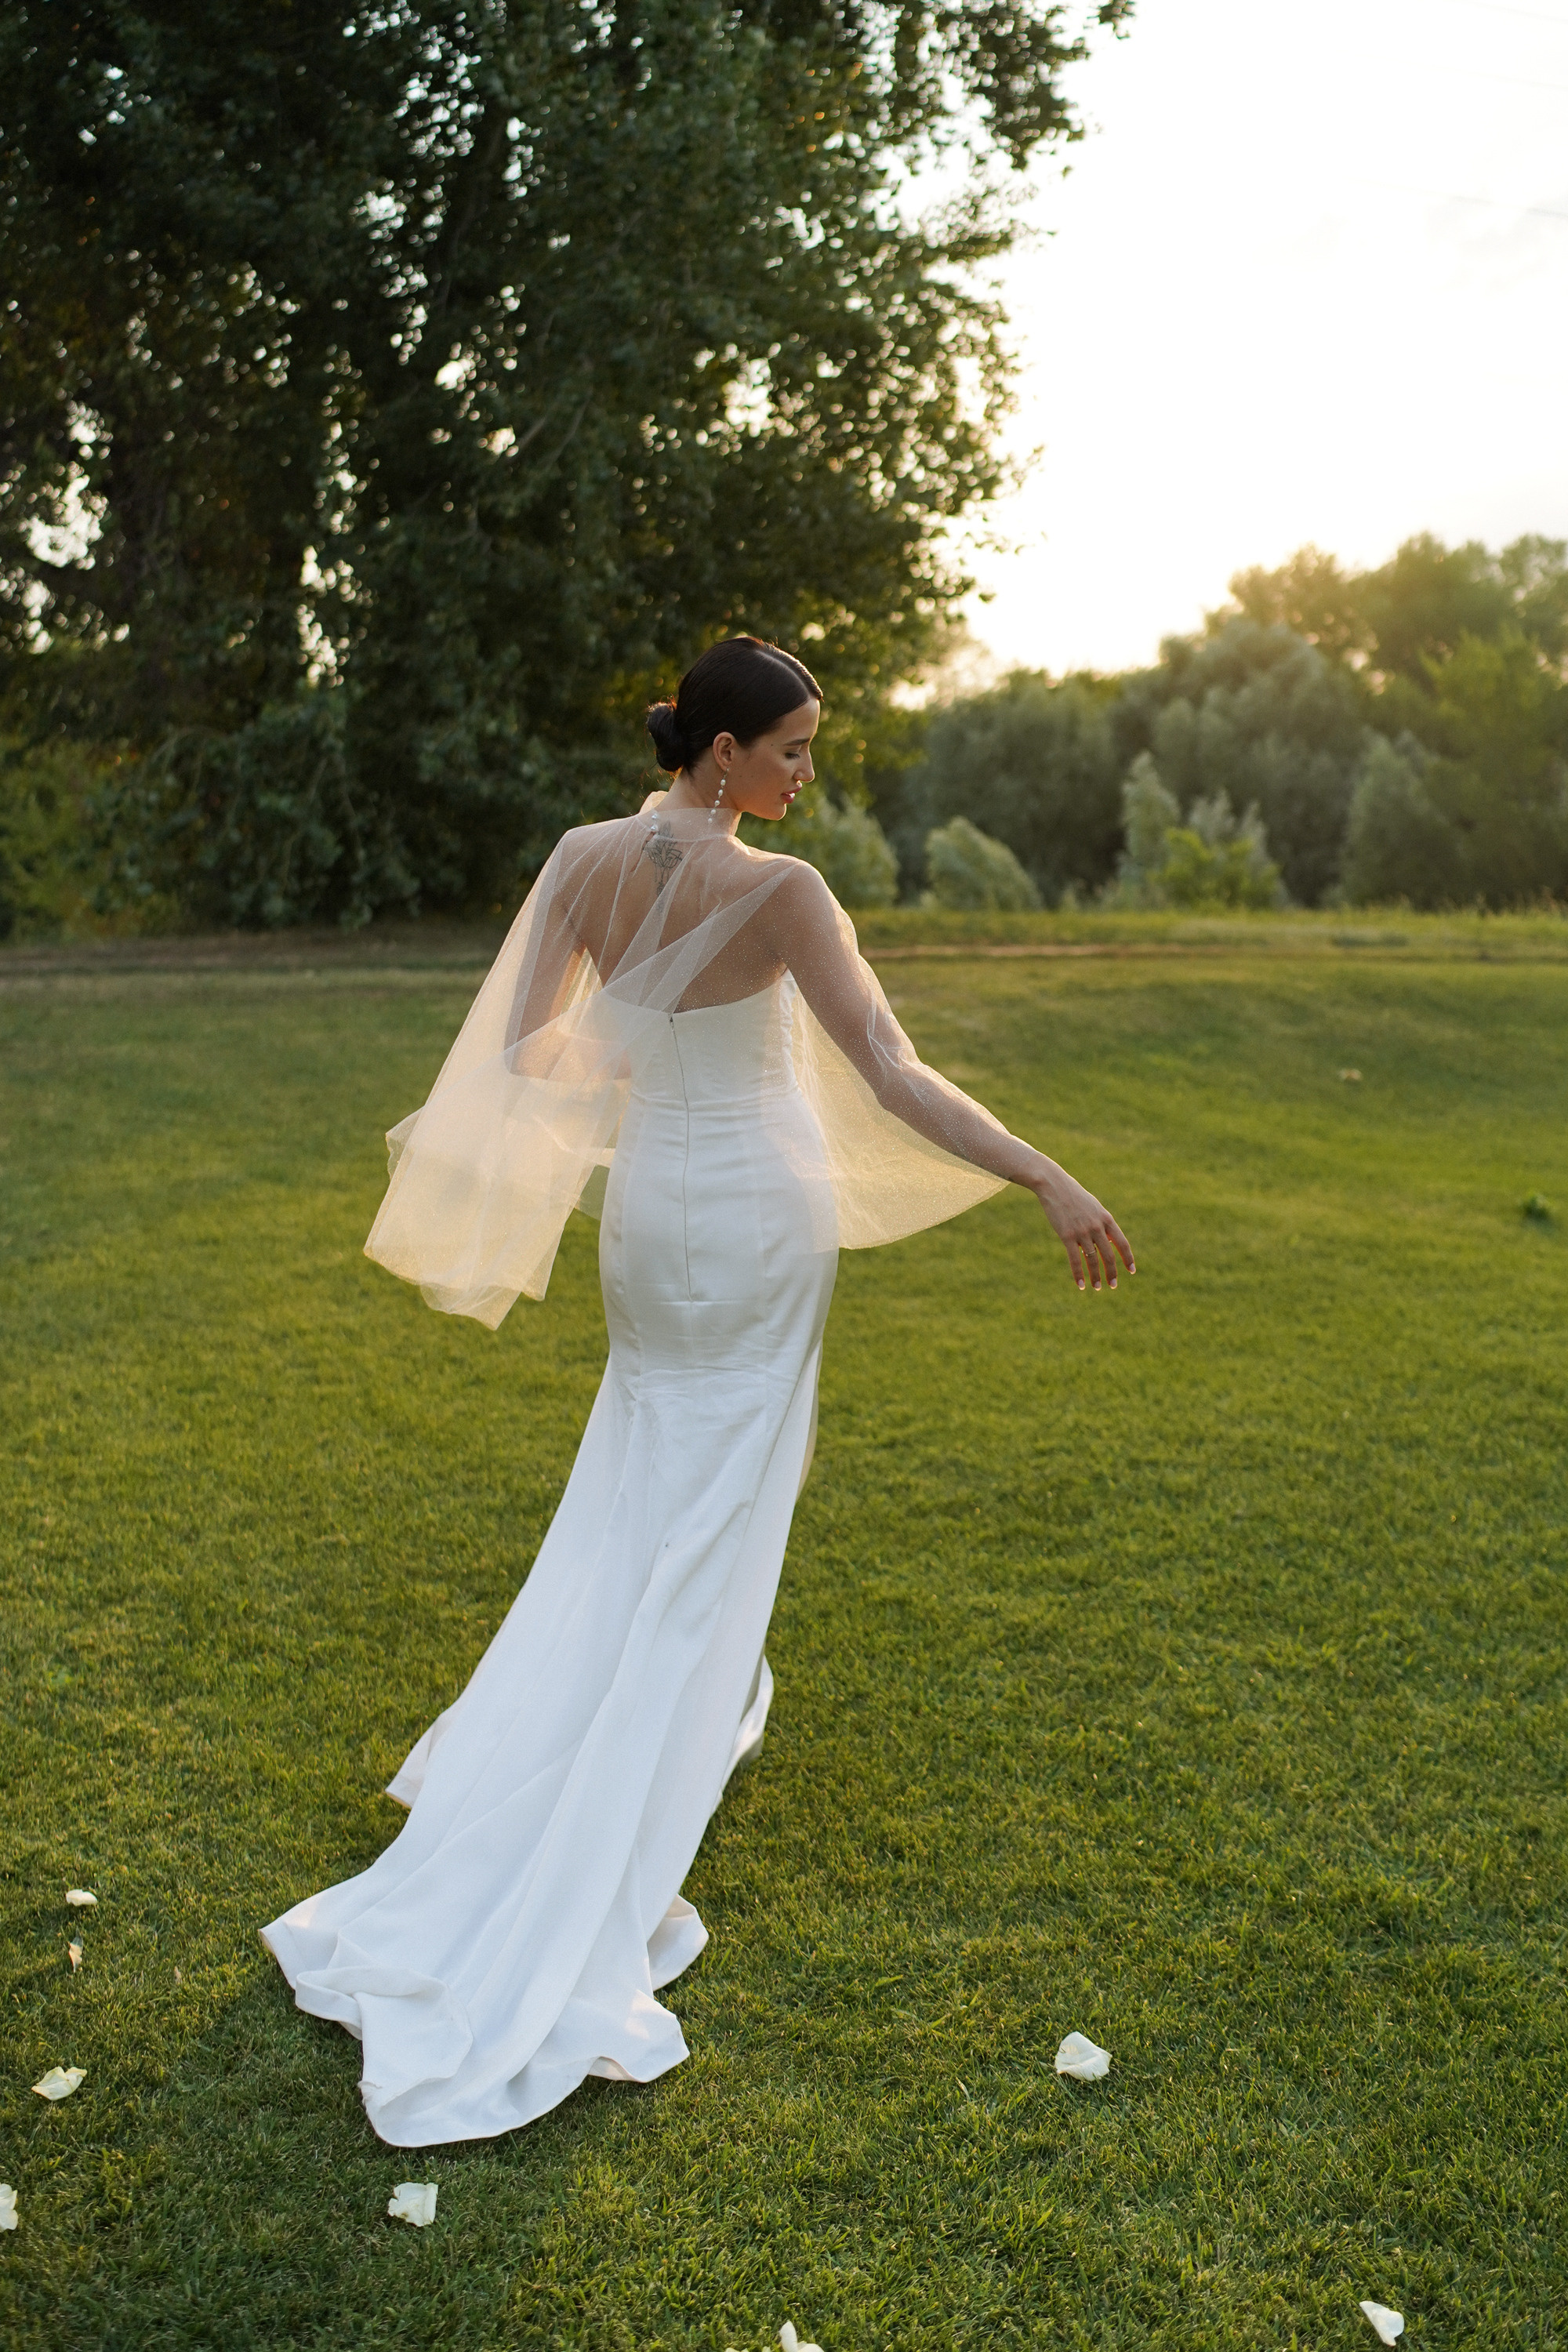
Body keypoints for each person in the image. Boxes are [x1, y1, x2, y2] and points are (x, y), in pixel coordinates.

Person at [261, 636, 1133, 2147]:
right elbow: (891, 1070)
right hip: (751, 1222)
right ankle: (601, 1847)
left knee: (636, 1498)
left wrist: (643, 1047)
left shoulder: (584, 858)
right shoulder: (784, 894)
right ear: (720, 752)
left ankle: (573, 1770)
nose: (808, 772)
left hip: (650, 1223)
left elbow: (534, 1053)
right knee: (709, 1535)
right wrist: (1044, 1176)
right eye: (791, 748)